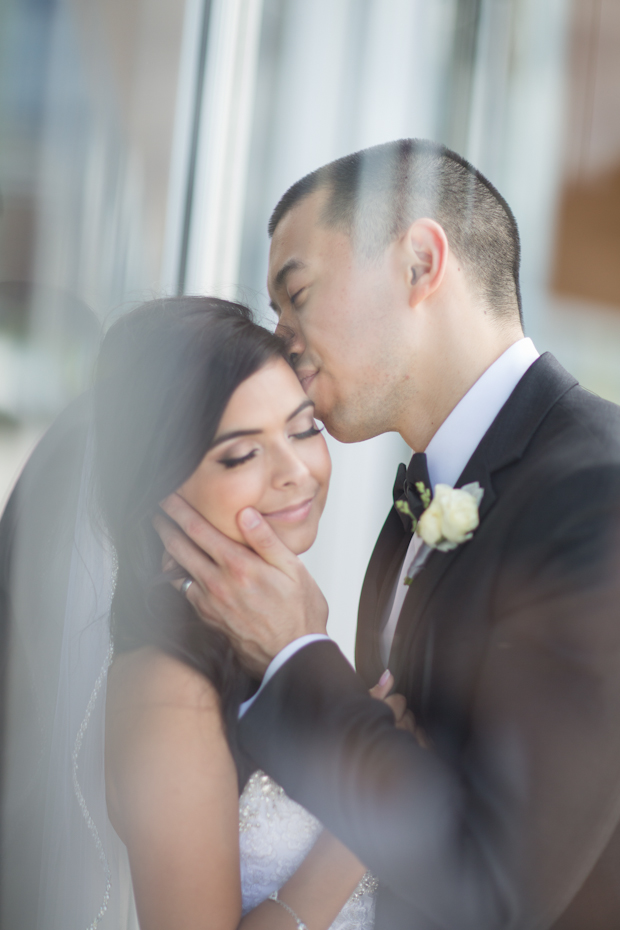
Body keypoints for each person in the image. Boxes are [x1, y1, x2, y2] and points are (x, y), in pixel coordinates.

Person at [156, 140, 620, 930]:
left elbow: (497, 887)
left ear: (419, 261)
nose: (282, 338)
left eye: (296, 292)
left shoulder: (596, 496)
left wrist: (298, 654)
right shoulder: (419, 499)